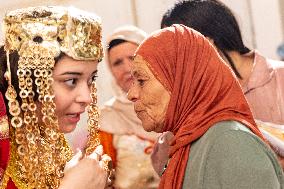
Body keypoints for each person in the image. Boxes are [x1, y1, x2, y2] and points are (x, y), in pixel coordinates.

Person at [127, 24, 284, 188]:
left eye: (141, 81)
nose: (131, 94)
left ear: (182, 81)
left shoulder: (232, 143)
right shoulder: (187, 142)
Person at [156, 0, 284, 171]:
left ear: (206, 41)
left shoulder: (279, 77)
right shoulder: (192, 98)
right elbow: (164, 168)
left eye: (175, 46)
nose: (171, 58)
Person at [0, 6, 110, 189]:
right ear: (30, 79)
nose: (87, 97)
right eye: (71, 81)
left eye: (92, 79)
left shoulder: (45, 134)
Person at [99, 25, 160, 189]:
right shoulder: (107, 118)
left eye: (133, 58)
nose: (127, 68)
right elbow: (103, 180)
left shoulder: (175, 105)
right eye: (117, 63)